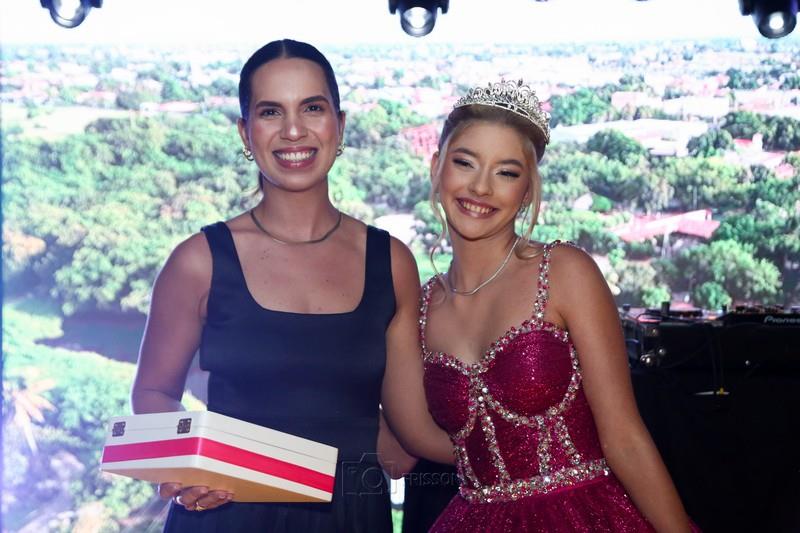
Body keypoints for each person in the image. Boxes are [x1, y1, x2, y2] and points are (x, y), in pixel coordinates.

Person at [130, 38, 450, 533]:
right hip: (226, 515)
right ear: (245, 132)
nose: (294, 130)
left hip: (352, 518)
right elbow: (153, 391)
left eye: (312, 108)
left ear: (340, 125)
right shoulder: (198, 262)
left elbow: (405, 445)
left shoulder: (392, 263)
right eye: (271, 111)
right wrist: (187, 461)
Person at [418, 80, 700, 532]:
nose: (481, 186)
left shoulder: (565, 272)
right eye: (465, 162)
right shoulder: (424, 305)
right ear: (437, 167)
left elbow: (625, 438)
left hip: (588, 516)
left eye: (507, 172)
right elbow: (417, 434)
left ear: (528, 191)